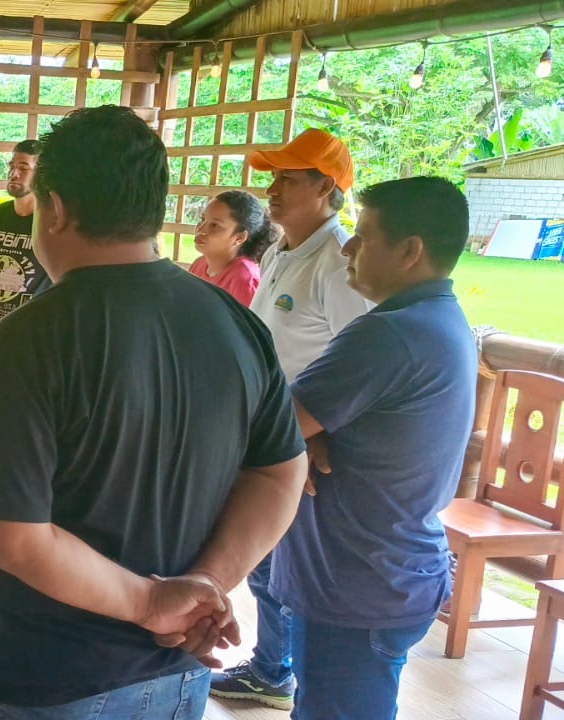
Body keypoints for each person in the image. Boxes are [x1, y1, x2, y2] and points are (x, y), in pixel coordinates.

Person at [0, 105, 309, 719]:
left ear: (56, 209)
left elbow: (13, 536)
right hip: (178, 673)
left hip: (43, 676)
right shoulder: (234, 324)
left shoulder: (34, 334)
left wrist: (150, 602)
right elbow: (281, 472)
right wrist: (206, 585)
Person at [274, 177, 476, 719]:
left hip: (358, 585)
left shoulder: (389, 334)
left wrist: (298, 435)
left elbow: (270, 428)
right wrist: (307, 435)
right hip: (386, 570)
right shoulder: (438, 318)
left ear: (410, 251)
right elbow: (293, 425)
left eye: (362, 237)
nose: (347, 249)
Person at [211, 129, 371, 711]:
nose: (273, 190)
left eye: (289, 179)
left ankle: (285, 674)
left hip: (305, 444)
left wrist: (316, 435)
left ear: (326, 188)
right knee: (266, 565)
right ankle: (273, 668)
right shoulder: (280, 252)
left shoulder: (339, 262)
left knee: (289, 569)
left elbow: (359, 363)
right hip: (272, 433)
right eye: (274, 177)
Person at [0, 139, 49, 346]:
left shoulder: (50, 221)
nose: (14, 173)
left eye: (24, 168)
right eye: (12, 165)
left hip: (32, 329)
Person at [189, 190, 276, 306]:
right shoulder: (198, 265)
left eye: (215, 225)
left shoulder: (245, 279)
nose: (201, 229)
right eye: (202, 219)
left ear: (239, 237)